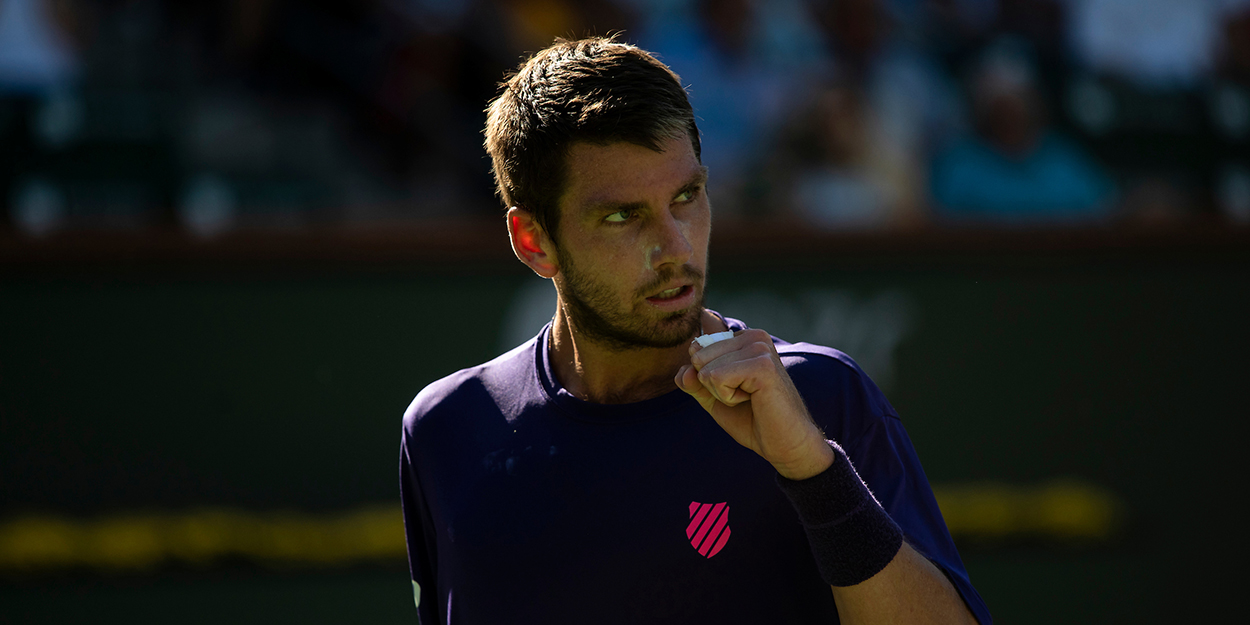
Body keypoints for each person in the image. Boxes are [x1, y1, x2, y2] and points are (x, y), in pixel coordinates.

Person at [399, 36, 991, 624]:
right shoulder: (444, 430)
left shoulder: (823, 399)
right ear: (534, 241)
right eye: (621, 216)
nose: (675, 247)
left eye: (687, 196)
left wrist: (816, 475)